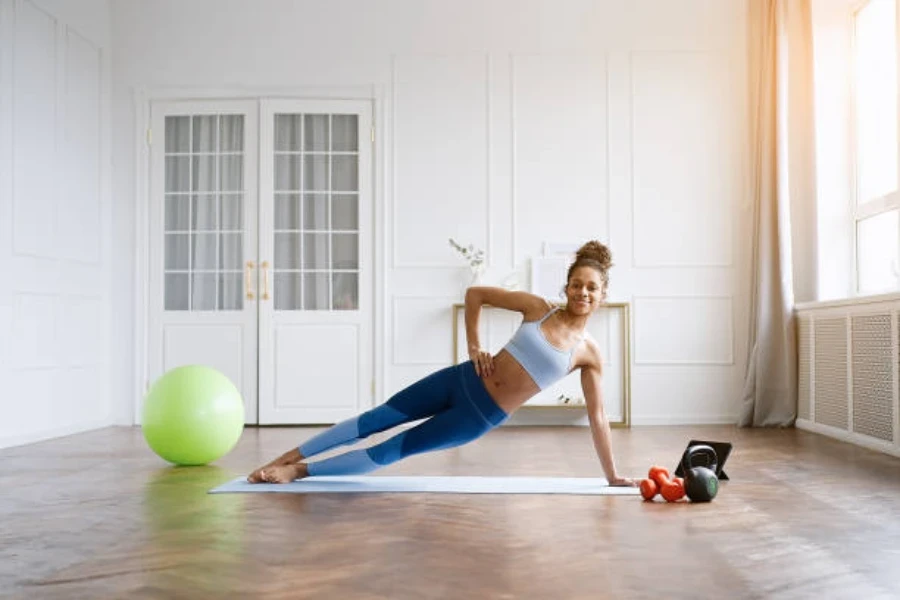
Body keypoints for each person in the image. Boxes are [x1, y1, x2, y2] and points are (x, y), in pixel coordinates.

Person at [247, 240, 637, 487]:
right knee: (374, 419)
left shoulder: (589, 354)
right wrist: (474, 346)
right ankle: (288, 456)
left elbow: (599, 417)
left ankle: (300, 472)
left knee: (393, 448)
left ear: (602, 295)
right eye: (577, 284)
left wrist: (612, 476)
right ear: (566, 286)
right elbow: (475, 294)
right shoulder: (538, 309)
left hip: (477, 417)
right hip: (460, 380)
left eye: (592, 288)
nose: (582, 292)